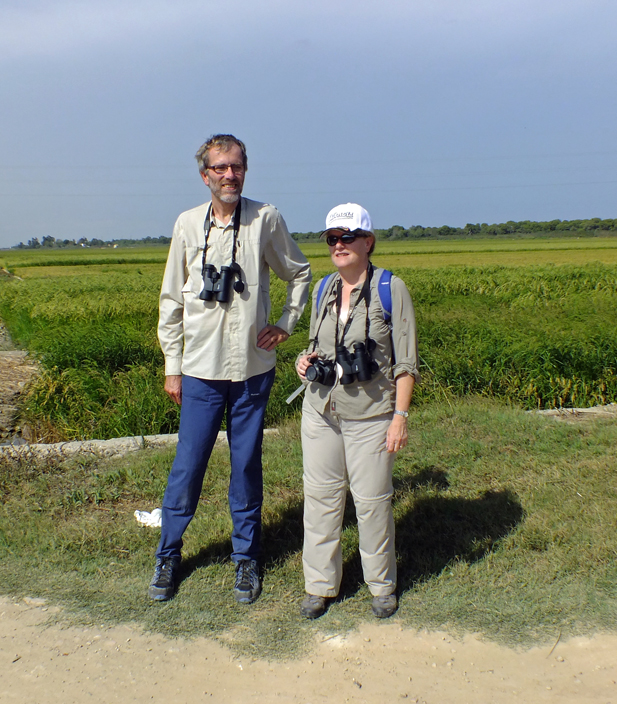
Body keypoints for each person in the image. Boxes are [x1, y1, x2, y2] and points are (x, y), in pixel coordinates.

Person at [152, 134, 311, 604]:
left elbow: (298, 272)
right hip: (200, 370)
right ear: (205, 176)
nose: (229, 175)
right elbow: (170, 298)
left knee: (245, 466)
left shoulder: (266, 218)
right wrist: (172, 366)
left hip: (252, 369)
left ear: (246, 170)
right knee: (188, 465)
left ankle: (246, 559)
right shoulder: (185, 225)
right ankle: (168, 553)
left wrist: (285, 323)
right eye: (219, 168)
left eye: (236, 167)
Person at [295, 203, 420, 619]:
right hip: (320, 411)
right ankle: (320, 585)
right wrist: (304, 360)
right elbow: (316, 346)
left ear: (368, 242)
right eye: (332, 238)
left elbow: (406, 362)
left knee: (371, 502)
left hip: (370, 415)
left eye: (348, 237)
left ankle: (381, 585)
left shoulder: (390, 288)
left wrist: (399, 417)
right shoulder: (323, 288)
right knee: (321, 499)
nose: (339, 245)